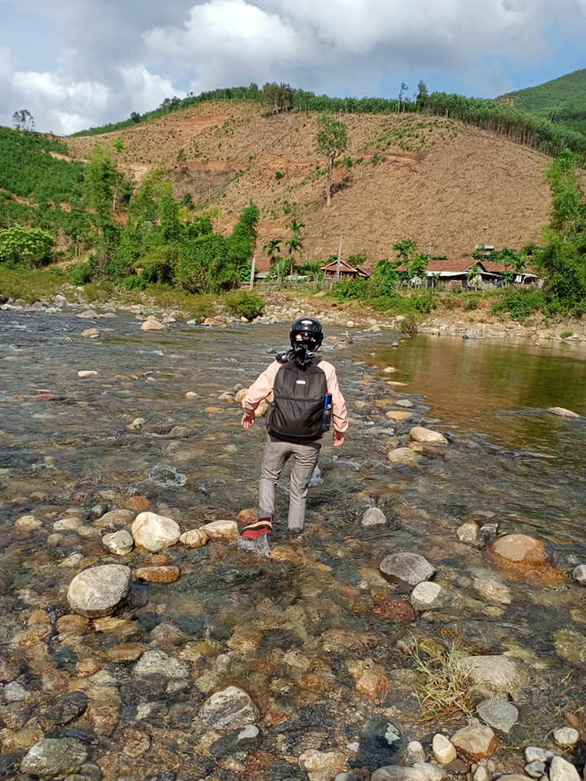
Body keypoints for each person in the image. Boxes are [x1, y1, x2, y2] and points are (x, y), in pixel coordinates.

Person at [240, 317, 348, 540]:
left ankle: (265, 517)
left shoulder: (278, 365)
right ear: (319, 342)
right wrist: (340, 429)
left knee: (268, 477)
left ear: (292, 338)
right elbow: (337, 402)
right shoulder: (326, 368)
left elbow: (252, 396)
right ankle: (294, 535)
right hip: (310, 440)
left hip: (278, 436)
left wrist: (249, 413)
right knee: (299, 490)